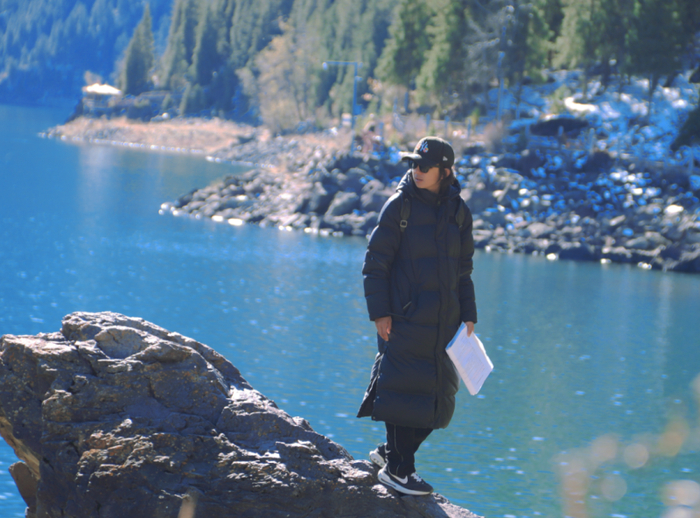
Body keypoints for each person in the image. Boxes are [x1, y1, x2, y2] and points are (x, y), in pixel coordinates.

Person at [357, 136, 477, 496]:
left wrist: (469, 314)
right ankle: (398, 469)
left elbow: (464, 271)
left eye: (424, 166)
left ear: (445, 171)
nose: (417, 170)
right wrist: (380, 313)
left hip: (445, 324)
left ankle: (391, 454)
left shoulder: (459, 213)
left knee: (439, 401)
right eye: (413, 164)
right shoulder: (399, 207)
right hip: (402, 319)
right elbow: (375, 264)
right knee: (401, 391)